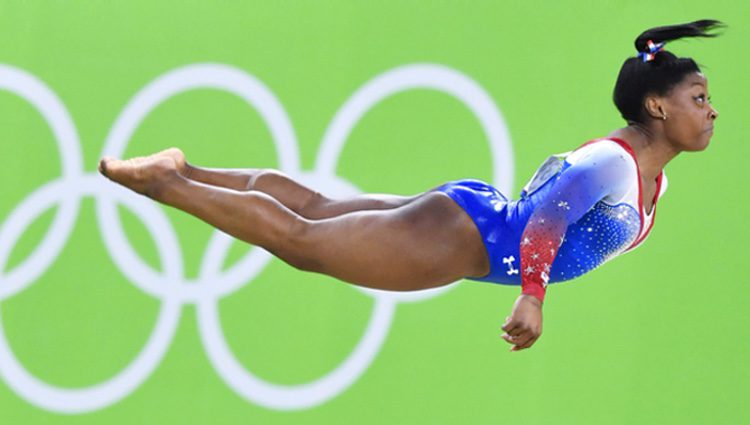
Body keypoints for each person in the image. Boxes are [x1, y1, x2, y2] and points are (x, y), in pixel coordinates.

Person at [99, 20, 722, 352]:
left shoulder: (651, 183)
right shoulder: (614, 164)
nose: (711, 110)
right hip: (464, 239)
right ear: (657, 106)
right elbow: (547, 222)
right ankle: (169, 182)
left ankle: (184, 170)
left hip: (468, 223)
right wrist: (533, 296)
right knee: (302, 240)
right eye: (698, 98)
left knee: (313, 214)